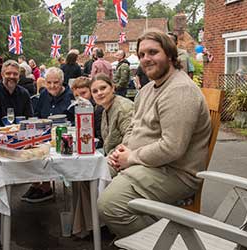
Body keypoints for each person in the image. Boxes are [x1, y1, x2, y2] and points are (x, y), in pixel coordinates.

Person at [97, 31, 211, 238]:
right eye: (141, 54)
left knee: (110, 205)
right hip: (149, 164)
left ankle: (165, 242)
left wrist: (131, 157)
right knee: (92, 174)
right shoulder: (148, 89)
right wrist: (123, 149)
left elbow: (172, 147)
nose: (145, 59)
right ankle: (127, 234)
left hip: (176, 172)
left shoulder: (180, 91)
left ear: (169, 54)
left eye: (153, 52)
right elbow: (134, 127)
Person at [22, 67, 75, 203]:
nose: (52, 86)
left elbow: (74, 121)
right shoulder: (44, 94)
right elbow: (37, 114)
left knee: (48, 155)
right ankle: (36, 184)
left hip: (64, 137)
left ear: (62, 82)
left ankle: (46, 187)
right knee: (31, 150)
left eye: (56, 82)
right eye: (49, 82)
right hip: (44, 135)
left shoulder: (70, 96)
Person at [0, 60, 34, 125]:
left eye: (15, 74)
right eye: (8, 73)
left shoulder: (24, 94)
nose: (12, 76)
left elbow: (29, 119)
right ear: (2, 74)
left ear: (19, 76)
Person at [71, 76, 104, 149]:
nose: (80, 98)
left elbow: (101, 138)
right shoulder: (78, 107)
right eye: (76, 96)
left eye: (83, 93)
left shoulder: (98, 108)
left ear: (91, 91)